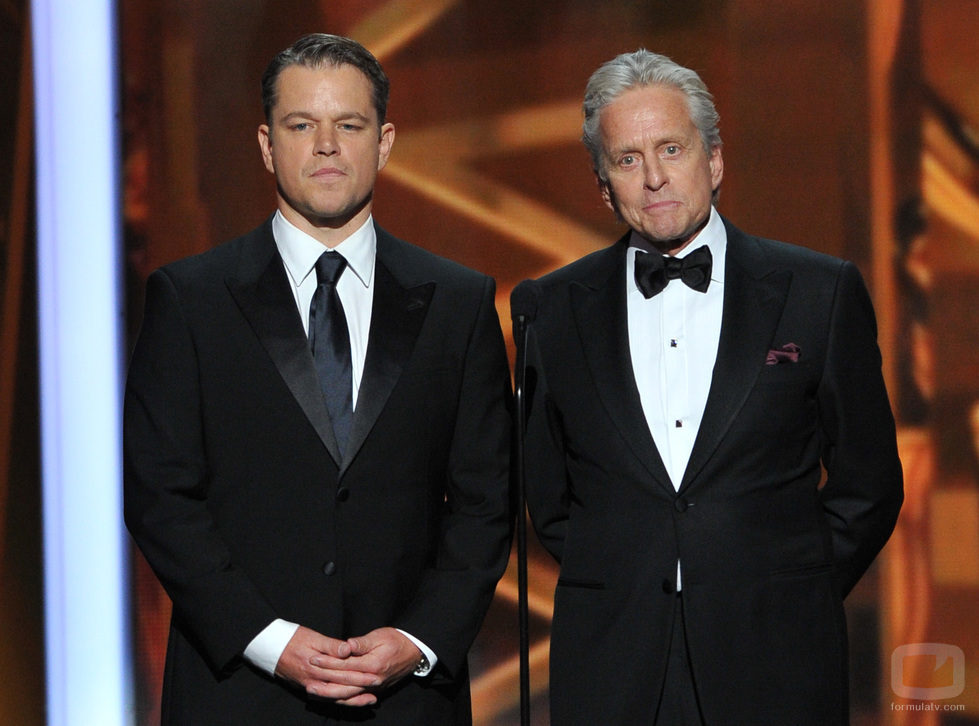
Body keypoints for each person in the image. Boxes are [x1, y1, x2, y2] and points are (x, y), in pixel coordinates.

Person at [124, 33, 512, 725]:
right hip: (239, 693)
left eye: (349, 125)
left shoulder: (458, 303)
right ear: (268, 145)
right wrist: (271, 641)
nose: (326, 145)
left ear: (385, 141)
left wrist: (415, 639)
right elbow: (160, 497)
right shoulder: (191, 299)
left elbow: (486, 502)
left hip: (405, 698)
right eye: (302, 125)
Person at [511, 50, 903, 725]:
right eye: (627, 159)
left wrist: (788, 587)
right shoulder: (549, 309)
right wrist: (627, 577)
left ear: (714, 160)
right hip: (612, 665)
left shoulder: (817, 292)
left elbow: (867, 483)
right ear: (603, 186)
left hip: (777, 658)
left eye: (671, 148)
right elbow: (547, 497)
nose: (655, 177)